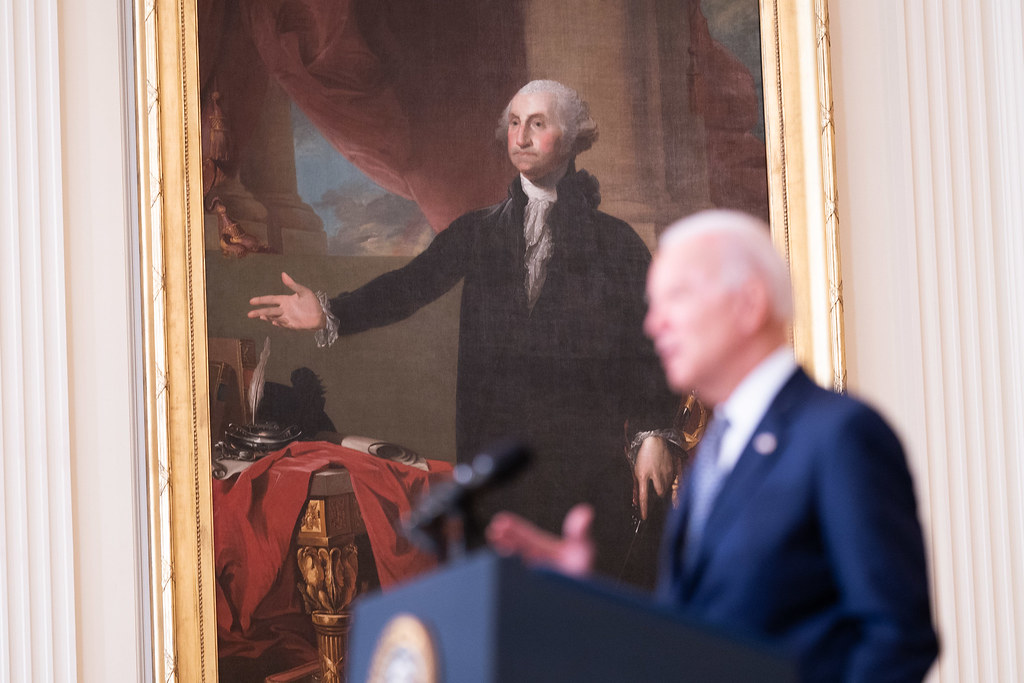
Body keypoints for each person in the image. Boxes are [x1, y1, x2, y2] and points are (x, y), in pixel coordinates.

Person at [248, 80, 680, 582]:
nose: (520, 136)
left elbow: (651, 345)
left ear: (573, 138)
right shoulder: (478, 231)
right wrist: (328, 312)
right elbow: (409, 286)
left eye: (537, 124)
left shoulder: (618, 244)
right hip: (497, 462)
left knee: (582, 607)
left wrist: (654, 434)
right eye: (514, 123)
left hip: (582, 462)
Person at [488, 209, 939, 681]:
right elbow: (690, 641)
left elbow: (896, 638)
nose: (653, 324)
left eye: (676, 298)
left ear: (748, 303)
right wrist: (587, 591)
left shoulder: (839, 435)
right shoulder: (711, 460)